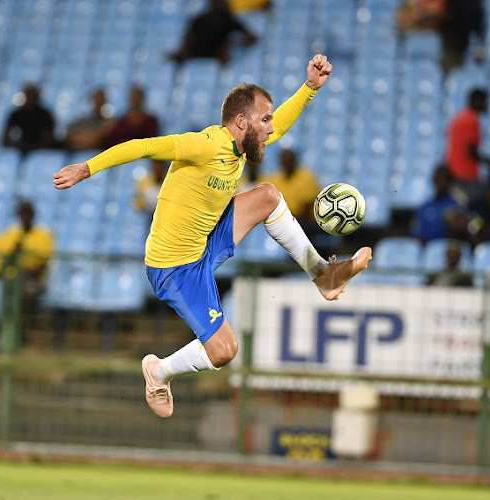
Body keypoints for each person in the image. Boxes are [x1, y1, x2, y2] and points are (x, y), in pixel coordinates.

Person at [53, 54, 372, 419]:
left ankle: (324, 275)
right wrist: (87, 167)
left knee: (268, 196)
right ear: (241, 122)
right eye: (264, 120)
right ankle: (158, 372)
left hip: (205, 239)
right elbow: (143, 145)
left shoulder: (242, 145)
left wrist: (310, 89)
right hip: (175, 267)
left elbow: (281, 125)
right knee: (224, 351)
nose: (271, 130)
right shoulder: (204, 145)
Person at [445, 88, 490, 204]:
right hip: (465, 177)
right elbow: (471, 150)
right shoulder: (471, 119)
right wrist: (487, 161)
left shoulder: (460, 117)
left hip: (455, 173)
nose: (486, 105)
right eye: (484, 101)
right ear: (477, 100)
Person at [168, 0, 257, 65]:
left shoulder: (228, 21)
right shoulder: (199, 20)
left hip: (216, 58)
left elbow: (252, 37)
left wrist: (234, 43)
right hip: (197, 55)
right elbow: (187, 40)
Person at [1, 200, 54, 306]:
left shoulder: (43, 236)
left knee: (28, 291)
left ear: (33, 215)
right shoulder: (10, 234)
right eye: (22, 214)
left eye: (27, 214)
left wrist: (29, 274)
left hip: (33, 279)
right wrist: (15, 250)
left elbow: (44, 262)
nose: (25, 217)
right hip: (12, 278)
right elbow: (4, 259)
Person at [411, 165, 465, 244]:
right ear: (434, 180)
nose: (441, 183)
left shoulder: (456, 206)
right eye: (438, 179)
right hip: (427, 249)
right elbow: (418, 234)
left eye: (444, 180)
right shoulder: (425, 206)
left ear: (450, 182)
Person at [262, 149, 321, 219]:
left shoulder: (306, 177)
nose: (287, 163)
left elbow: (307, 206)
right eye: (285, 161)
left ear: (295, 161)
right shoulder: (275, 180)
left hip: (304, 220)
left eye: (289, 160)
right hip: (283, 220)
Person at [2, 83, 56, 153]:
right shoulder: (16, 114)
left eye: (32, 95)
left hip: (39, 151)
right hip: (20, 149)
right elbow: (5, 138)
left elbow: (48, 138)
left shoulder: (45, 115)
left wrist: (35, 147)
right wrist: (16, 147)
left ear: (37, 96)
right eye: (28, 94)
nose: (30, 97)